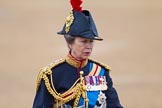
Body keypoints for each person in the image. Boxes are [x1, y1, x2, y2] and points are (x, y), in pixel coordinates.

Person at [33, 0, 123, 108]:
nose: (89, 46)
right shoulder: (52, 75)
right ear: (70, 43)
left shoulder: (101, 72)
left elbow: (114, 105)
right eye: (83, 41)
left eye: (91, 42)